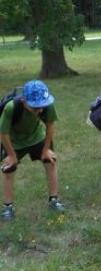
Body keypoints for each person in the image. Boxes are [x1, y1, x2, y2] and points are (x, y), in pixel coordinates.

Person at [0, 80, 65, 220]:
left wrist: (46, 149)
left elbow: (50, 125)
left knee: (50, 162)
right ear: (23, 101)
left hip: (37, 137)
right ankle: (8, 207)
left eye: (42, 106)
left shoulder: (47, 103)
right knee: (8, 170)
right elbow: (3, 133)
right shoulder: (11, 108)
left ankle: (54, 199)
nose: (40, 110)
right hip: (14, 142)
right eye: (35, 108)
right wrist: (11, 155)